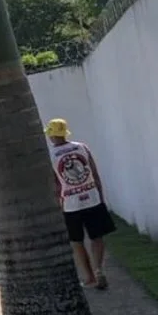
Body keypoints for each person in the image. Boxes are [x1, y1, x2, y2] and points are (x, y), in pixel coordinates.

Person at [46, 118, 116, 289]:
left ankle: (89, 277)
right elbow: (94, 172)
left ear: (52, 135)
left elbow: (55, 183)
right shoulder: (82, 147)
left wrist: (58, 201)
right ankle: (98, 269)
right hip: (91, 197)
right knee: (97, 237)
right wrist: (99, 195)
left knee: (76, 242)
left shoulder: (52, 156)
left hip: (70, 204)